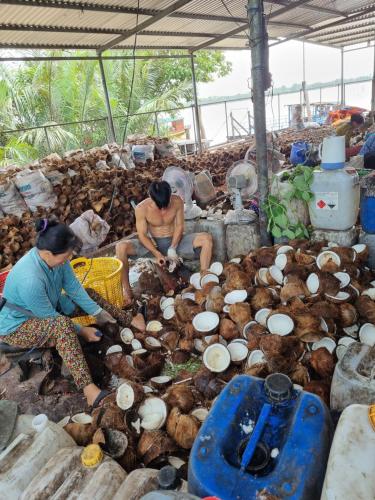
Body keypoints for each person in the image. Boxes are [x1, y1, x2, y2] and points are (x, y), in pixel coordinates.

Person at [0, 219, 144, 408]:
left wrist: (98, 312)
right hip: (18, 325)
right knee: (63, 327)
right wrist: (82, 330)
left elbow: (75, 289)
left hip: (48, 305)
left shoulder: (58, 260)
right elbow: (50, 317)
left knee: (90, 293)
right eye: (65, 256)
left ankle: (130, 319)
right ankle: (89, 389)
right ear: (47, 253)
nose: (68, 260)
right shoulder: (30, 279)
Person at [116, 181, 213, 303]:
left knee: (206, 239)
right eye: (159, 205)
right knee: (121, 247)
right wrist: (156, 253)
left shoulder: (177, 201)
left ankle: (205, 278)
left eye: (166, 204)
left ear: (170, 194)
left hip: (175, 242)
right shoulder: (141, 208)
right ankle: (128, 292)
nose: (163, 208)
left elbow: (179, 227)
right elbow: (142, 235)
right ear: (151, 196)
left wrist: (172, 248)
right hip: (152, 245)